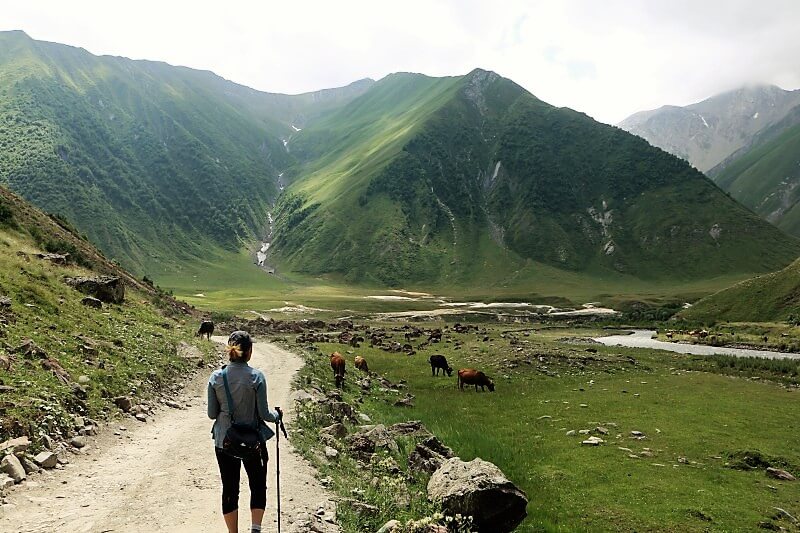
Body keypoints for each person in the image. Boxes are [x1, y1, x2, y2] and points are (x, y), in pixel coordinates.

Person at [208, 331, 282, 533]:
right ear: (249, 352)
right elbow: (265, 414)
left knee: (230, 488)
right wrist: (277, 416)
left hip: (225, 440)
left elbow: (211, 413)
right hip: (253, 441)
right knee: (257, 485)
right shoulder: (256, 377)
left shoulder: (216, 377)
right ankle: (255, 529)